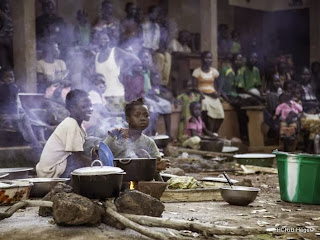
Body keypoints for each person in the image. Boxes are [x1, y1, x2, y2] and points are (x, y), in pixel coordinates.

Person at [103, 98, 169, 180]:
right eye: (137, 115)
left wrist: (158, 165)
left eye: (146, 115)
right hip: (118, 179)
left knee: (143, 154)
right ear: (128, 119)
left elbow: (157, 164)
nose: (142, 119)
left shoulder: (149, 142)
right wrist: (111, 136)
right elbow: (101, 153)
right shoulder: (116, 137)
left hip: (141, 179)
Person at [36, 89, 93, 178]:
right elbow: (77, 157)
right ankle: (72, 185)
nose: (90, 109)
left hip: (49, 170)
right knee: (77, 161)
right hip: (50, 172)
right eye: (84, 106)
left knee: (88, 146)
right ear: (71, 108)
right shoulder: (71, 124)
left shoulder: (78, 125)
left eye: (90, 106)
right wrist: (94, 163)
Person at [94, 30, 140, 112]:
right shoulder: (96, 56)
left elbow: (136, 60)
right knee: (105, 123)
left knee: (117, 122)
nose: (102, 41)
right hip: (102, 97)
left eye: (105, 38)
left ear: (109, 40)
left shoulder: (115, 51)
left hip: (116, 95)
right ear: (97, 41)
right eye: (100, 39)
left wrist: (123, 70)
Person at [0, 69, 44, 148]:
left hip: (12, 113)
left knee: (29, 118)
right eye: (6, 77)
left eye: (11, 77)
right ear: (1, 79)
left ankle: (36, 140)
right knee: (25, 118)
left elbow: (16, 103)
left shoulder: (14, 88)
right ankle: (34, 141)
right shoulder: (6, 88)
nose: (9, 79)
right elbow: (10, 104)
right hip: (5, 114)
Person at [139, 49, 172, 137]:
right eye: (142, 58)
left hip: (151, 95)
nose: (144, 60)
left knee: (167, 105)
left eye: (146, 58)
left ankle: (169, 133)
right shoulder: (138, 71)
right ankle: (152, 134)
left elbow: (156, 86)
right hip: (141, 96)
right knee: (153, 107)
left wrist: (156, 93)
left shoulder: (151, 71)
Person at [192, 51, 224, 133]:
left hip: (213, 95)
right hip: (202, 94)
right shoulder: (197, 72)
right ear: (202, 59)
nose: (208, 60)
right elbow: (194, 87)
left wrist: (218, 92)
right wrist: (206, 94)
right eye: (206, 58)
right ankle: (207, 130)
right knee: (205, 105)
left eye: (210, 58)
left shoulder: (214, 71)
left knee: (220, 113)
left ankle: (214, 132)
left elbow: (219, 84)